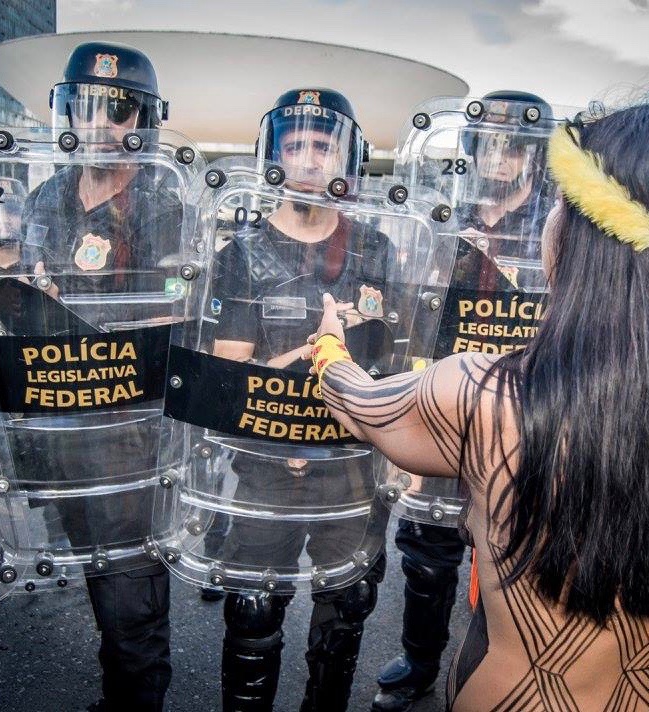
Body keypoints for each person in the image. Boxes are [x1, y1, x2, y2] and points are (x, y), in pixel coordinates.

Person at [308, 102, 649, 711]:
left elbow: (359, 403)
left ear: (585, 236)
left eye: (561, 205)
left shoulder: (486, 395)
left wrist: (330, 345)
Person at [210, 88, 394, 711]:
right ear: (274, 158)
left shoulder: (375, 249)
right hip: (266, 468)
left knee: (347, 606)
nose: (311, 161)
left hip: (349, 468)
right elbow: (230, 375)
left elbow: (392, 363)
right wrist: (315, 349)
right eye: (295, 146)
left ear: (348, 158)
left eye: (324, 145)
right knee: (253, 609)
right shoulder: (241, 253)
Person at [375, 90, 555, 712]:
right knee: (428, 552)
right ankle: (422, 659)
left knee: (518, 555)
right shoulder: (441, 217)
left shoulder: (559, 226)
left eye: (514, 147)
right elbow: (414, 319)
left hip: (527, 412)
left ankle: (499, 668)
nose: (500, 159)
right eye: (488, 145)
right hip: (450, 404)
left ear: (535, 156)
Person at [14, 41, 180, 711]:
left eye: (116, 111)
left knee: (130, 594)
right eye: (85, 107)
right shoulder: (46, 196)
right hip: (57, 424)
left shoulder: (165, 201)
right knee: (92, 569)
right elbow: (20, 295)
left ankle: (137, 702)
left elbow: (172, 313)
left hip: (126, 430)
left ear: (139, 120)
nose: (98, 125)